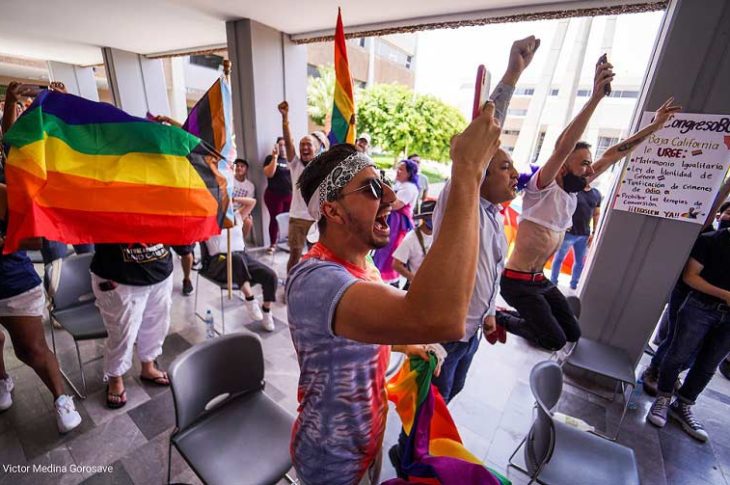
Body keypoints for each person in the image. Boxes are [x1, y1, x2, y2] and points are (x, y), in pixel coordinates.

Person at [286, 97, 501, 485]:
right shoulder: (316, 281)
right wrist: (468, 171)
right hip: (330, 459)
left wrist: (406, 345)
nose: (390, 197)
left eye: (384, 181)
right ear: (332, 211)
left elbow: (367, 330)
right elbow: (443, 319)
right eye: (371, 189)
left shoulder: (362, 264)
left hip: (365, 440)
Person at [390, 36, 538, 477]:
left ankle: (422, 453)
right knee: (423, 409)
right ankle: (409, 462)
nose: (514, 173)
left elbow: (486, 272)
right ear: (478, 171)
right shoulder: (464, 194)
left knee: (445, 400)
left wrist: (489, 317)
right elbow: (479, 139)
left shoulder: (492, 214)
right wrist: (512, 75)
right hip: (442, 337)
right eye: (504, 166)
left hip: (469, 334)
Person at [497, 60, 681, 351]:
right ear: (563, 167)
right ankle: (500, 318)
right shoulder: (542, 187)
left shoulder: (573, 189)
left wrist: (654, 127)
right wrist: (596, 97)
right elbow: (563, 145)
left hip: (539, 280)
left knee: (572, 332)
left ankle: (525, 317)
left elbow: (612, 155)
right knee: (554, 340)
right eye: (583, 164)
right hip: (517, 282)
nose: (589, 169)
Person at [0, 186, 82, 433]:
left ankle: (62, 399)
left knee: (31, 350)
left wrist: (2, 242)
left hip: (12, 283)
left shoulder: (6, 194)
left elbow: (35, 239)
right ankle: (3, 380)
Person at [646, 225, 730, 442]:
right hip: (700, 307)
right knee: (677, 354)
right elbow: (690, 277)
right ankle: (663, 398)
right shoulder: (710, 241)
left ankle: (683, 404)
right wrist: (724, 294)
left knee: (708, 365)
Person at [91, 243, 173, 408]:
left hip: (160, 268)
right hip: (119, 273)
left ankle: (148, 366)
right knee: (121, 333)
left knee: (157, 323)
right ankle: (115, 377)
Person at [278, 101, 328, 273]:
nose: (305, 147)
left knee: (316, 256)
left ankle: (310, 283)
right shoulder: (295, 165)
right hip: (297, 219)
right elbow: (288, 141)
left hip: (317, 219)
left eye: (309, 145)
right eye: (302, 145)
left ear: (316, 149)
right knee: (295, 255)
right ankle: (290, 283)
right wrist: (285, 118)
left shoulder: (323, 169)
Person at [204, 216, 278, 332]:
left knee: (270, 275)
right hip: (219, 261)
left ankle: (266, 310)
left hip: (242, 257)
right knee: (236, 259)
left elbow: (251, 203)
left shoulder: (235, 215)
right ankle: (250, 299)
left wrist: (233, 201)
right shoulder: (208, 220)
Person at [372, 159, 419, 284]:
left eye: (402, 169)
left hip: (397, 225)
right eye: (398, 168)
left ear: (409, 173)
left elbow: (396, 205)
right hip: (392, 221)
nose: (398, 172)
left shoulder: (409, 188)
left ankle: (385, 279)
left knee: (388, 250)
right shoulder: (401, 185)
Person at [549, 184, 602, 289]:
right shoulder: (574, 190)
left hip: (584, 235)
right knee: (559, 258)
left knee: (580, 262)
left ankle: (574, 284)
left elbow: (596, 214)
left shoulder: (596, 194)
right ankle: (553, 282)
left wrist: (595, 232)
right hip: (568, 233)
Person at [392, 200, 435, 289]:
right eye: (432, 217)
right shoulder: (411, 239)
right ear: (424, 218)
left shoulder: (439, 233)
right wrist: (414, 279)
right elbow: (396, 264)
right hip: (419, 286)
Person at [263, 138, 292, 254]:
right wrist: (275, 157)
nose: (283, 147)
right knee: (275, 220)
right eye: (280, 145)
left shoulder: (290, 160)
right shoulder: (270, 158)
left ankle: (287, 242)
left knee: (288, 220)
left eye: (285, 145)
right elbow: (269, 174)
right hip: (274, 195)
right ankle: (273, 244)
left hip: (289, 195)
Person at [232, 158, 257, 238]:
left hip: (241, 210)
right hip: (228, 209)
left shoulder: (250, 186)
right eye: (237, 166)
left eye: (242, 166)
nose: (239, 168)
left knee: (248, 221)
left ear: (246, 170)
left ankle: (241, 243)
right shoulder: (229, 180)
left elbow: (248, 203)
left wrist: (240, 213)